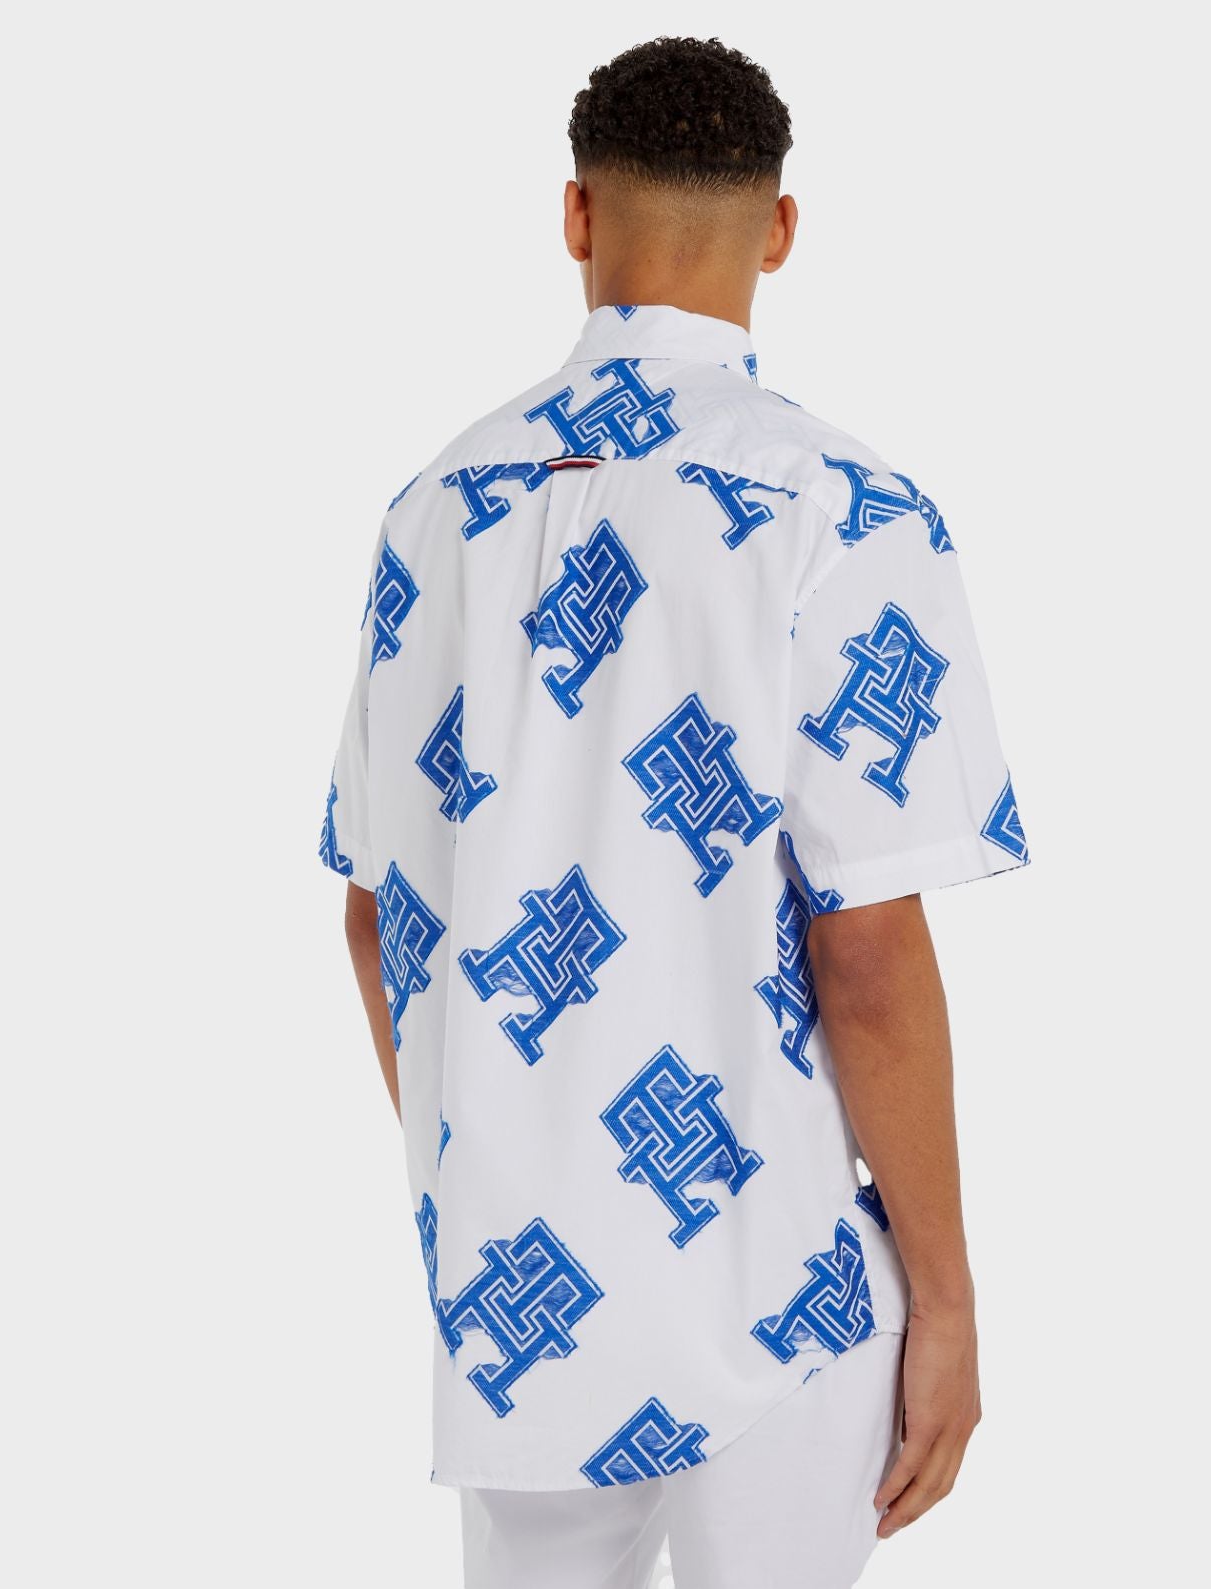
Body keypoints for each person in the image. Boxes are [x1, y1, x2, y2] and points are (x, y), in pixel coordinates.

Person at [318, 35, 1029, 1589]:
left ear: (575, 214)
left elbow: (377, 915)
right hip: (780, 1286)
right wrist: (951, 1300)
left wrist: (487, 1166)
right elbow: (866, 951)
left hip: (518, 1299)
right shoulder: (843, 509)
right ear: (781, 231)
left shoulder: (435, 510)